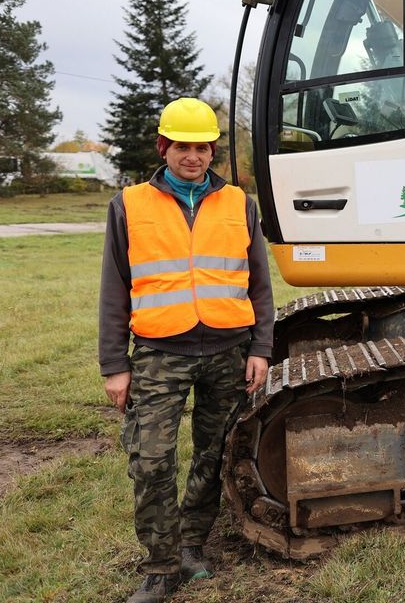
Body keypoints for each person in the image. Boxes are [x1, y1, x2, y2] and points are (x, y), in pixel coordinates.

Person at [98, 97, 275, 602]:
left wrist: (260, 347)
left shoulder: (239, 203)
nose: (192, 156)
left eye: (201, 147)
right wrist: (115, 364)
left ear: (212, 150)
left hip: (229, 350)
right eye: (182, 146)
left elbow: (259, 283)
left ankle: (193, 544)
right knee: (151, 460)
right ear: (164, 147)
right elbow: (115, 288)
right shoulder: (129, 205)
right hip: (159, 352)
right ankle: (160, 566)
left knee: (213, 455)